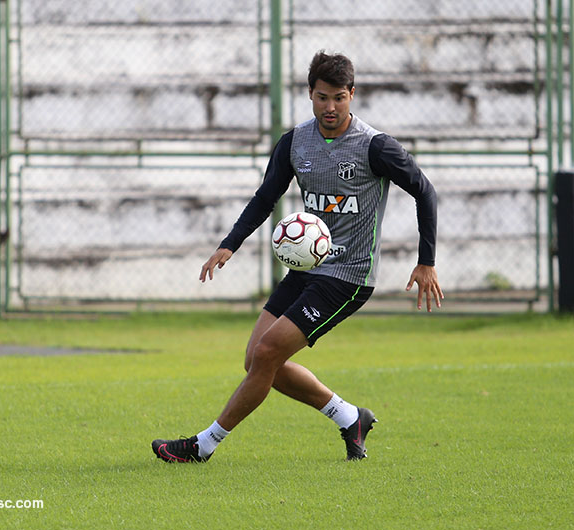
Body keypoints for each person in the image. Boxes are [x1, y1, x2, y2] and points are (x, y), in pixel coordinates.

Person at [152, 50, 443, 463]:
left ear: (352, 95)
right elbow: (265, 198)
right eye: (322, 97)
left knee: (267, 355)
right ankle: (349, 417)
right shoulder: (295, 142)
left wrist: (426, 260)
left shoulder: (375, 146)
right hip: (305, 269)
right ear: (310, 94)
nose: (330, 107)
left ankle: (203, 445)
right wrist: (228, 244)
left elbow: (425, 191)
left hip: (348, 275)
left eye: (339, 98)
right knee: (256, 359)